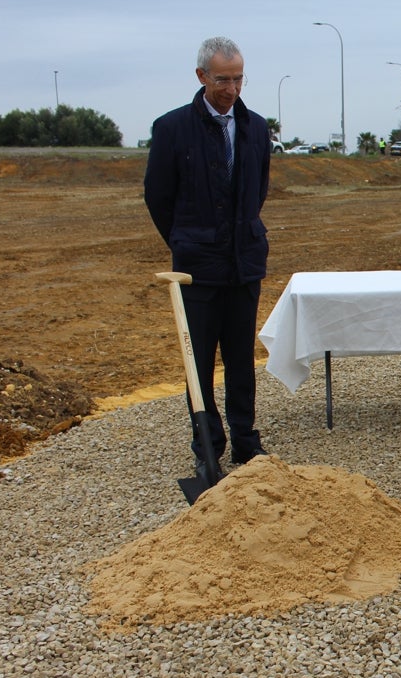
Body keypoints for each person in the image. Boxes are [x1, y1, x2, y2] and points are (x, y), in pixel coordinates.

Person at [144, 36, 271, 473]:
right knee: (198, 362)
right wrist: (186, 241)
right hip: (197, 270)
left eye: (238, 79)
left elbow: (258, 190)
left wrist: (241, 235)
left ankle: (246, 441)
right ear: (201, 76)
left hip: (244, 264)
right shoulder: (172, 128)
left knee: (241, 358)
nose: (231, 88)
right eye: (222, 79)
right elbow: (158, 197)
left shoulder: (256, 127)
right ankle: (207, 446)